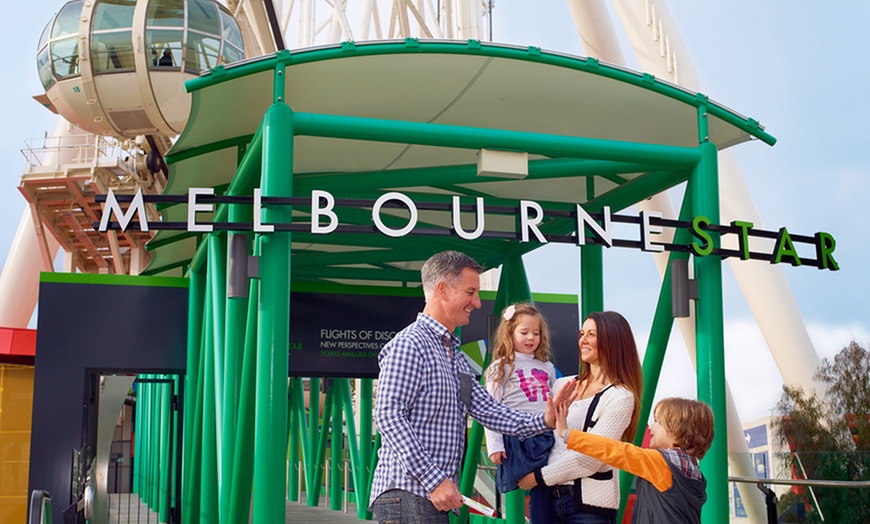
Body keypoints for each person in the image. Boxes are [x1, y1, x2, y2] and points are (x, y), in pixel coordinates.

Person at [370, 251, 573, 523]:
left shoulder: (456, 356)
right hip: (410, 495)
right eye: (470, 292)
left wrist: (545, 419)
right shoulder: (410, 344)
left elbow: (492, 411)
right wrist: (435, 481)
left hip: (428, 497)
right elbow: (388, 416)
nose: (477, 303)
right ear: (442, 290)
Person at [518, 311, 644, 523]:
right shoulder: (562, 384)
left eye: (592, 334)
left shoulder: (620, 396)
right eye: (582, 333)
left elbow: (592, 458)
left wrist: (537, 478)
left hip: (587, 508)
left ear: (613, 340)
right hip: (546, 500)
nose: (583, 340)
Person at [554, 397, 714, 524]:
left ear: (676, 429)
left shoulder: (661, 462)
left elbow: (615, 451)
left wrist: (568, 434)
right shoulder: (694, 471)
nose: (651, 427)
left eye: (657, 421)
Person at [484, 302, 557, 522]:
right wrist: (495, 446)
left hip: (545, 434)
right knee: (528, 483)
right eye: (524, 332)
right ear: (509, 333)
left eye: (536, 333)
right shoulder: (501, 367)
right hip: (518, 437)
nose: (530, 338)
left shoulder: (548, 367)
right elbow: (491, 410)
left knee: (545, 487)